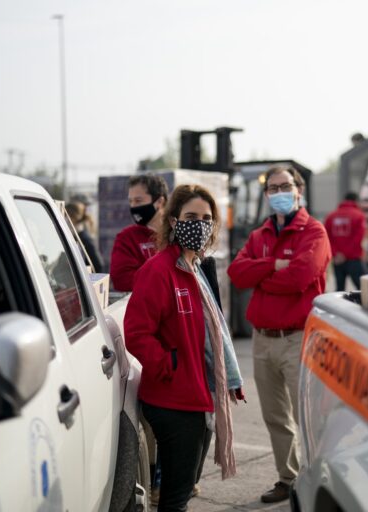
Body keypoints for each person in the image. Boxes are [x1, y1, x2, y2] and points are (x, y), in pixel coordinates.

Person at [124, 184, 245, 512]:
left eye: (207, 218)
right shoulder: (159, 270)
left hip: (200, 397)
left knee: (184, 490)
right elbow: (136, 333)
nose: (200, 224)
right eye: (191, 216)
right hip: (174, 400)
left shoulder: (198, 268)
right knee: (175, 498)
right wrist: (170, 365)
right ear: (174, 220)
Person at [227, 164, 331, 503]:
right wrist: (272, 265)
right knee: (275, 415)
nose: (278, 193)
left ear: (298, 190)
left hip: (298, 338)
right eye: (272, 188)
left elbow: (300, 277)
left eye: (284, 186)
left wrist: (261, 276)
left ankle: (319, 480)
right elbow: (237, 274)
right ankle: (288, 478)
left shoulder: (314, 232)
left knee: (307, 416)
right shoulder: (260, 236)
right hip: (263, 339)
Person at [111, 174, 168, 292]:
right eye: (130, 201)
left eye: (138, 201)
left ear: (159, 202)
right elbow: (122, 281)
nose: (133, 206)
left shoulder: (177, 234)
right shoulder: (127, 238)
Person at [324, 192, 366, 291]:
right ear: (356, 201)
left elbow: (326, 238)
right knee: (363, 290)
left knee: (339, 290)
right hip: (353, 259)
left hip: (337, 259)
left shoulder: (330, 216)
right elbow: (358, 239)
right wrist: (345, 254)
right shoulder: (359, 216)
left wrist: (336, 253)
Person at [65, 201, 105, 273]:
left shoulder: (84, 239)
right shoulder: (76, 236)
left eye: (65, 216)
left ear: (72, 218)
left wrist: (88, 281)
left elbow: (98, 265)